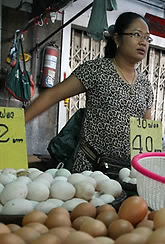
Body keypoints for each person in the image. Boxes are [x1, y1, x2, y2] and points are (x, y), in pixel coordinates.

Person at [25, 12, 153, 172]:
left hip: (125, 174)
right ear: (117, 38)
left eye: (147, 38)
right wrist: (17, 124)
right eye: (136, 35)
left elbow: (147, 131)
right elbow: (52, 95)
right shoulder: (96, 70)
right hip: (90, 169)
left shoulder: (145, 85)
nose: (143, 42)